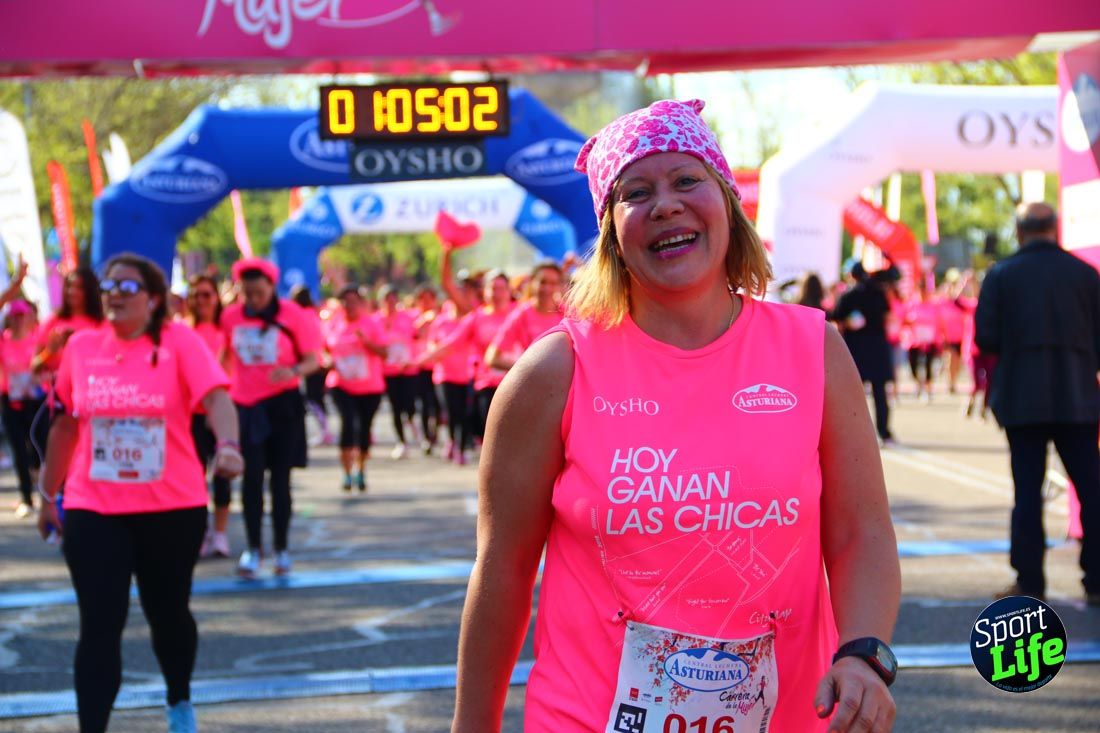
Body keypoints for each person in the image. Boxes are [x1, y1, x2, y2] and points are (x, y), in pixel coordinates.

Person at [452, 99, 900, 733]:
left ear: (726, 202)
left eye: (687, 179)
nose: (666, 204)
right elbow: (503, 570)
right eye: (636, 192)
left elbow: (861, 531)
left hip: (791, 716)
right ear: (611, 230)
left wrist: (864, 654)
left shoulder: (812, 348)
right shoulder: (552, 373)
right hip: (589, 715)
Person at [35, 253, 243, 733]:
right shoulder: (82, 347)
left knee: (167, 613)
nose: (114, 293)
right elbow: (66, 425)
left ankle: (179, 699)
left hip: (172, 505)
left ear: (152, 299)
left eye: (127, 286)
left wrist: (229, 446)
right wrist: (48, 496)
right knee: (99, 622)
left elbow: (216, 398)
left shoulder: (179, 342)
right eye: (108, 285)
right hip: (94, 506)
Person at [975, 202, 1100, 605]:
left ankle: (1030, 582)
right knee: (1092, 489)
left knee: (1027, 492)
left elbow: (986, 338)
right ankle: (1097, 579)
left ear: (1020, 231)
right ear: (1055, 228)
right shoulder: (1085, 275)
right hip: (1077, 395)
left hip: (1022, 397)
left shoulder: (1002, 274)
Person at [221, 258, 321, 578]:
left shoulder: (293, 315)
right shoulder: (230, 316)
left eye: (259, 293)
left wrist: (291, 371)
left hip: (282, 405)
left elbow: (313, 360)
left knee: (280, 479)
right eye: (246, 293)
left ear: (271, 288)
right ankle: (252, 549)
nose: (252, 299)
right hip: (246, 406)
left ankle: (281, 548)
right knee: (250, 481)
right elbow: (223, 357)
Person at [184, 274, 234, 558]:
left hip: (222, 411)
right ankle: (200, 532)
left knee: (222, 474)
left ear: (216, 297)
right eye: (196, 295)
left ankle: (221, 533)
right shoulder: (183, 331)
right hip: (191, 414)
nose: (201, 300)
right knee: (194, 476)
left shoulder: (226, 331)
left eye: (206, 294)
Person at [325, 285, 388, 492]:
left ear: (361, 304)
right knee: (347, 425)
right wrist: (328, 361)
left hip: (370, 387)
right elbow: (323, 349)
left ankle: (360, 469)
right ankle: (346, 473)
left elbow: (384, 352)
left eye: (353, 302)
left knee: (363, 430)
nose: (349, 306)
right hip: (341, 385)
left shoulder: (371, 324)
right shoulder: (334, 324)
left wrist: (366, 342)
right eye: (345, 302)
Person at [832, 261, 895, 445]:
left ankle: (853, 435)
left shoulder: (849, 295)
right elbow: (887, 316)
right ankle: (884, 432)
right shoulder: (879, 293)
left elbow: (837, 319)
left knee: (852, 395)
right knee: (880, 393)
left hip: (856, 349)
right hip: (878, 348)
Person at [2, 298, 44, 517]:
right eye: (15, 316)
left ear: (30, 317)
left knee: (38, 446)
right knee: (18, 449)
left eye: (22, 315)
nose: (19, 320)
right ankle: (26, 497)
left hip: (36, 401)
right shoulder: (3, 341)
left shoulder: (38, 339)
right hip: (11, 401)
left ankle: (45, 488)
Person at [484, 262, 565, 373]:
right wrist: (527, 370)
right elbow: (492, 357)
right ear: (532, 282)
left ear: (559, 286)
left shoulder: (568, 313)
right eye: (543, 282)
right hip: (533, 384)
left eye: (553, 283)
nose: (547, 288)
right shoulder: (521, 314)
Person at [291, 284, 335, 446]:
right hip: (320, 360)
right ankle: (325, 430)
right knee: (317, 398)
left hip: (310, 362)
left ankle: (325, 431)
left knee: (313, 398)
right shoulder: (315, 314)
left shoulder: (301, 316)